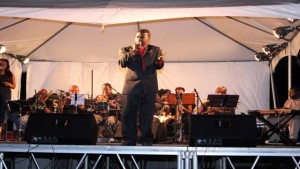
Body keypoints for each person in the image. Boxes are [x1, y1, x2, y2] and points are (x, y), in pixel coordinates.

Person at [118, 29, 164, 146]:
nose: (139, 38)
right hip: (131, 86)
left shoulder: (155, 50)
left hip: (148, 86)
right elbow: (122, 63)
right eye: (138, 36)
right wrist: (133, 52)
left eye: (143, 37)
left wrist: (160, 61)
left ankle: (146, 139)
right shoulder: (125, 50)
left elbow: (158, 66)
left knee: (147, 114)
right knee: (128, 114)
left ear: (148, 38)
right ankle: (129, 139)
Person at [0, 58, 16, 137]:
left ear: (7, 65)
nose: (2, 65)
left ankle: (2, 129)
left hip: (5, 93)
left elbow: (14, 86)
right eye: (1, 64)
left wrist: (8, 84)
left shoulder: (10, 74)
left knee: (4, 110)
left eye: (4, 64)